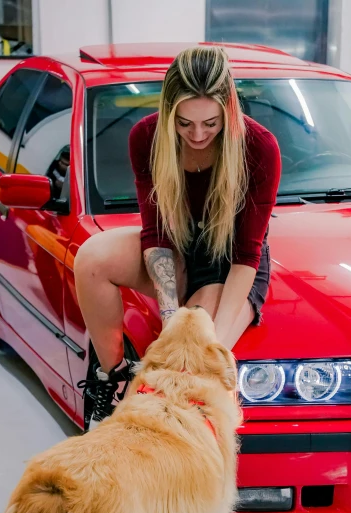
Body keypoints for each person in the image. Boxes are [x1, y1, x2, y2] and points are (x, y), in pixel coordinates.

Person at [74, 46, 281, 430]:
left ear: (228, 112)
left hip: (229, 263)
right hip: (175, 247)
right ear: (169, 110)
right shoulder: (147, 137)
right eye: (185, 123)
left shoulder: (259, 147)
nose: (198, 134)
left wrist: (214, 344)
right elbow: (154, 234)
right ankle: (113, 381)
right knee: (90, 260)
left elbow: (246, 256)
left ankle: (182, 458)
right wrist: (169, 317)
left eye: (210, 123)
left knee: (194, 354)